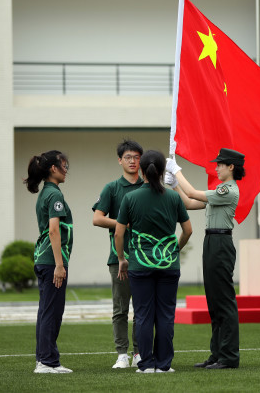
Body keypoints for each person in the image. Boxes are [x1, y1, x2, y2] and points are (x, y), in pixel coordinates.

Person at [166, 148, 244, 370]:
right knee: (214, 302)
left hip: (220, 243)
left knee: (224, 301)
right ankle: (217, 353)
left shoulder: (228, 190)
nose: (216, 167)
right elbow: (189, 203)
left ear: (231, 167)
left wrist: (176, 170)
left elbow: (192, 193)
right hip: (212, 242)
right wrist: (173, 184)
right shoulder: (219, 190)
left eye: (220, 164)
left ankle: (228, 356)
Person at [115, 150, 192, 373]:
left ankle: (146, 364)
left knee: (143, 315)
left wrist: (122, 258)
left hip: (139, 265)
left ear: (142, 170)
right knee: (166, 315)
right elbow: (188, 230)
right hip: (168, 266)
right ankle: (164, 365)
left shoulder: (130, 198)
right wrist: (174, 251)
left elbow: (119, 234)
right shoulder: (173, 197)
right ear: (161, 171)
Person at [92, 139, 143, 369]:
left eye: (136, 157)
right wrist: (123, 224)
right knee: (120, 308)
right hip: (119, 257)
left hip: (145, 257)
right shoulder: (112, 188)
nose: (133, 161)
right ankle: (122, 354)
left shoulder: (148, 186)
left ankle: (139, 353)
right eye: (128, 157)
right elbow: (97, 218)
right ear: (120, 160)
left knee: (142, 309)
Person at [24, 150, 73, 374]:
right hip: (51, 261)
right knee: (51, 311)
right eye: (64, 165)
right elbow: (54, 231)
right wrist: (59, 265)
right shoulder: (54, 195)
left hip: (45, 260)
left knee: (48, 311)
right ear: (53, 169)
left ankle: (47, 359)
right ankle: (46, 361)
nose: (66, 169)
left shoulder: (48, 193)